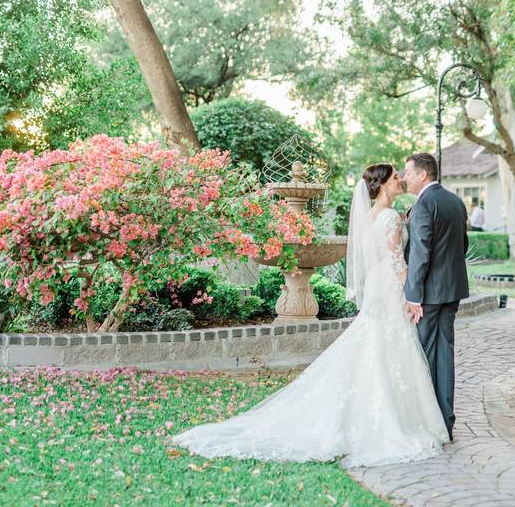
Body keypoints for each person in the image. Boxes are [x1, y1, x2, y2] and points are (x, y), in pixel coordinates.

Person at [171, 163, 448, 467]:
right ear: (382, 186)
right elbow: (397, 261)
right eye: (396, 178)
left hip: (377, 289)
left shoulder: (370, 217)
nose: (401, 182)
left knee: (376, 344)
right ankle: (391, 420)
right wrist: (411, 295)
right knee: (389, 346)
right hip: (391, 288)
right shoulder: (391, 217)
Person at [401, 153, 470, 442]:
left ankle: (429, 425)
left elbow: (420, 254)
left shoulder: (424, 205)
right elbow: (462, 246)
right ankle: (446, 421)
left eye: (408, 173)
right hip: (452, 291)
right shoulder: (455, 201)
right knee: (445, 354)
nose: (405, 178)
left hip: (428, 295)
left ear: (423, 175)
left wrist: (413, 295)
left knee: (425, 357)